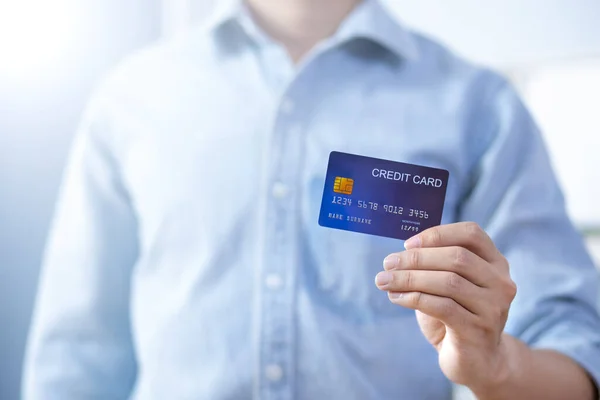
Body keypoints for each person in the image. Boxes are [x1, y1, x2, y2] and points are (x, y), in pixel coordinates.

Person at [23, 0, 600, 398]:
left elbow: (577, 352)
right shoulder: (131, 100)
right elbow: (77, 358)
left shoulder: (479, 107)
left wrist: (496, 367)